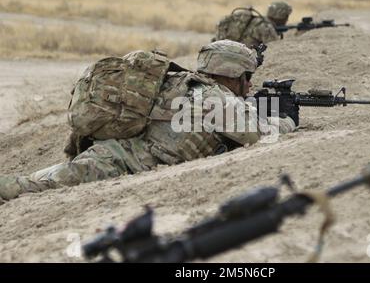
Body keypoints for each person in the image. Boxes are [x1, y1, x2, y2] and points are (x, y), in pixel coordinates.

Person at [0, 40, 296, 203]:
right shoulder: (216, 100)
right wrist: (286, 121)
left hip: (111, 151)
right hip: (122, 164)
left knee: (37, 181)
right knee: (32, 188)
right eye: (247, 78)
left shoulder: (178, 80)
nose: (248, 86)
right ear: (234, 75)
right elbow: (258, 136)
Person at [212, 1, 292, 48]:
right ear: (281, 16)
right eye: (286, 16)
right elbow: (274, 50)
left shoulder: (230, 20)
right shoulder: (265, 27)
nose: (287, 19)